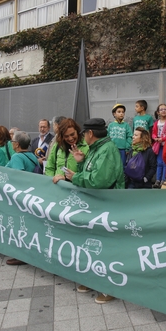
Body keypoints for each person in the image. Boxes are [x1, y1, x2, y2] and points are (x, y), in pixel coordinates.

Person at [64, 118, 124, 304]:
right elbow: (93, 173)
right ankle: (94, 279)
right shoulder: (97, 148)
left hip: (107, 205)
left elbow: (99, 181)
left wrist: (76, 177)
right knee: (93, 244)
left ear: (90, 133)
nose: (83, 136)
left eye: (84, 133)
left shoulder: (106, 150)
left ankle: (109, 287)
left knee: (105, 247)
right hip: (97, 205)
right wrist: (81, 163)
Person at [5, 131, 39, 266]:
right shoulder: (32, 156)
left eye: (13, 141)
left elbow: (18, 177)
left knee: (20, 225)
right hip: (31, 194)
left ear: (17, 144)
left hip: (20, 197)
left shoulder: (17, 157)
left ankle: (22, 255)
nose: (12, 144)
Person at [46, 118, 89, 184]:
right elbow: (50, 166)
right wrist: (52, 180)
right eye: (66, 136)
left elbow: (88, 173)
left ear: (77, 131)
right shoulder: (58, 145)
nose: (70, 138)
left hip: (76, 189)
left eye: (72, 134)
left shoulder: (86, 147)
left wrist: (81, 162)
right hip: (58, 188)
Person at [151, 103, 166, 188]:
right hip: (158, 146)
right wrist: (155, 138)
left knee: (165, 163)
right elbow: (153, 133)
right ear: (158, 112)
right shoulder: (156, 123)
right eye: (161, 109)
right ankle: (157, 180)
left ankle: (164, 180)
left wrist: (162, 139)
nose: (163, 111)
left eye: (165, 109)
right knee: (159, 163)